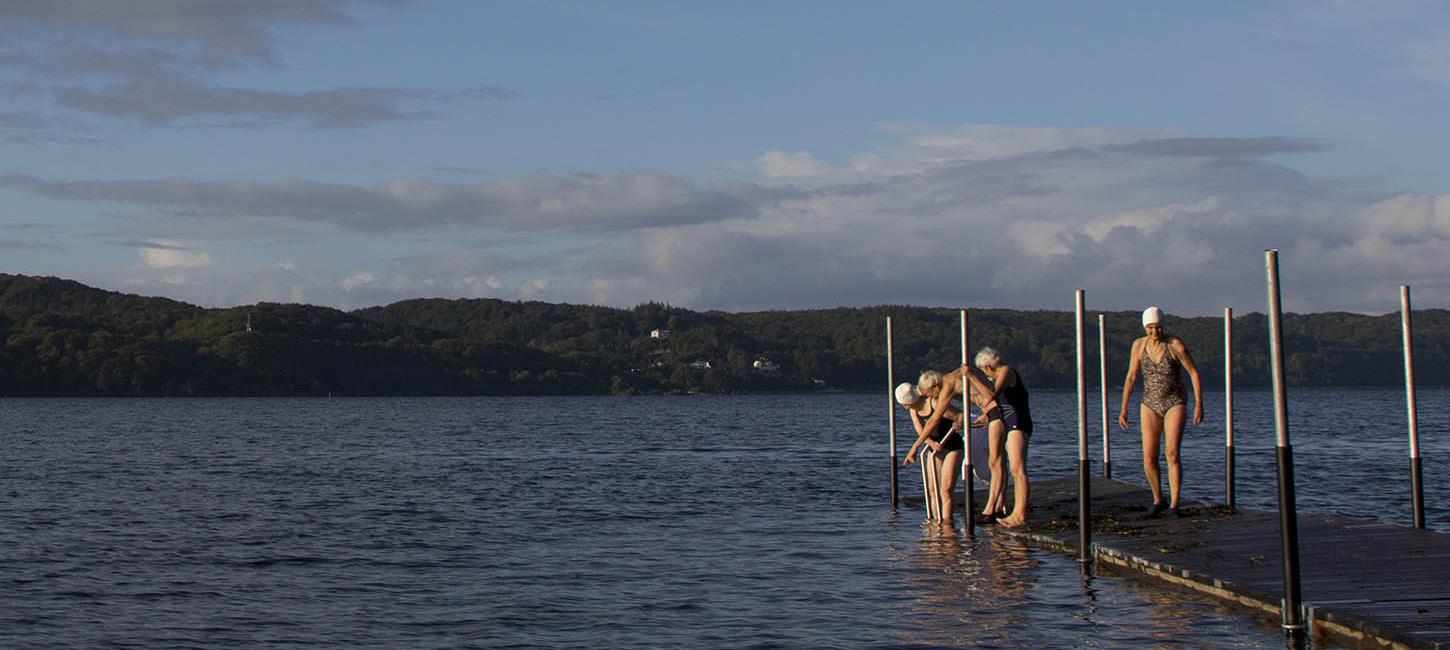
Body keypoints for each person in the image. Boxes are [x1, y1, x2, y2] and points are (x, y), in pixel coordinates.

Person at [1118, 306, 1204, 519]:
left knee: (1172, 453)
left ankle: (1175, 503)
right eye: (1150, 328)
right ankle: (1158, 499)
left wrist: (1199, 403)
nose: (1155, 332)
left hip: (1175, 401)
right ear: (1145, 327)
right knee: (1149, 456)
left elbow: (1193, 372)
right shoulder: (1139, 345)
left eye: (1158, 327)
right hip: (1149, 403)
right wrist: (1123, 408)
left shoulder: (1175, 345)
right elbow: (1131, 377)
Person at [917, 366, 1001, 524]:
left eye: (931, 394)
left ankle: (993, 509)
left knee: (995, 463)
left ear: (936, 386)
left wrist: (915, 446)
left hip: (995, 411)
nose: (932, 398)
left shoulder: (947, 384)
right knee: (996, 462)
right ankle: (997, 505)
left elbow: (935, 418)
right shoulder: (951, 378)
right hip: (989, 411)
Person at [974, 347, 1033, 528]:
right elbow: (1000, 403)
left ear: (987, 366)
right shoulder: (1001, 373)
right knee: (1006, 464)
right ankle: (1013, 511)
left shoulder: (1006, 371)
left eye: (983, 371)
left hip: (1018, 421)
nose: (985, 375)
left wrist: (971, 376)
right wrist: (985, 416)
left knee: (1017, 468)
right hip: (1008, 420)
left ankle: (1020, 514)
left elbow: (992, 395)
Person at [898, 375, 965, 522]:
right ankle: (936, 522)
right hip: (935, 447)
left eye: (905, 404)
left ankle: (947, 523)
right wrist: (929, 442)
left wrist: (958, 423)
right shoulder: (913, 411)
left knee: (946, 490)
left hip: (952, 445)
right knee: (933, 490)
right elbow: (921, 431)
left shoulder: (933, 403)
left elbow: (961, 415)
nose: (905, 407)